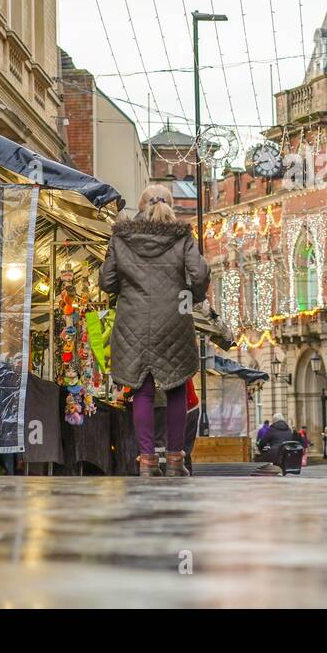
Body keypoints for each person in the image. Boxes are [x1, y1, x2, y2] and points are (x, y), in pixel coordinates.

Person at [100, 184, 210, 477]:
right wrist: (193, 295)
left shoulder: (121, 237)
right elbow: (199, 273)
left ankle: (147, 461)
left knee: (143, 392)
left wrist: (124, 288)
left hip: (133, 321)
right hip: (174, 317)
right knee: (175, 389)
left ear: (141, 206)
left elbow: (107, 281)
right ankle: (175, 460)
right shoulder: (182, 236)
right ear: (170, 206)